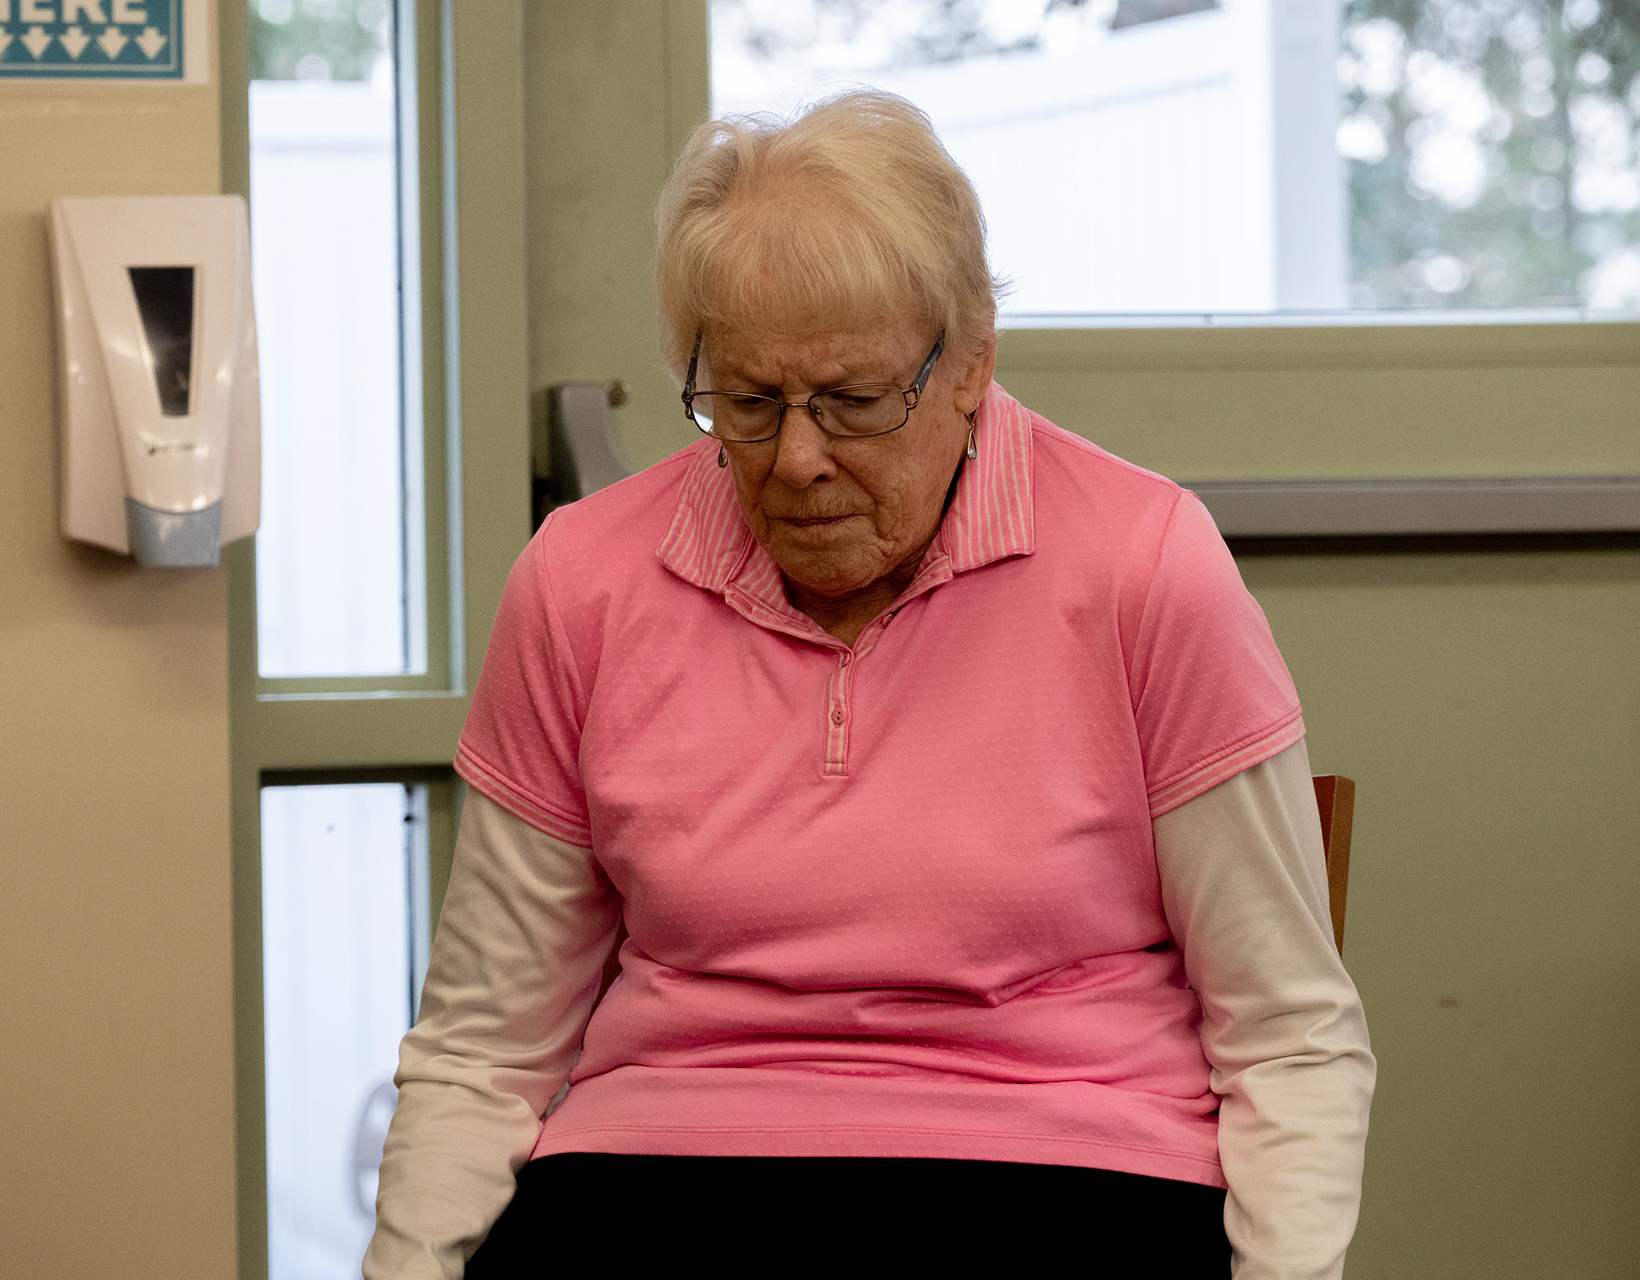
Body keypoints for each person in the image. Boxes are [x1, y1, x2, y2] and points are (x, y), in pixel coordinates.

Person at [364, 90, 1374, 1279]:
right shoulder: (582, 580)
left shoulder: (1145, 562)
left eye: (853, 400)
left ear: (972, 362)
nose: (797, 459)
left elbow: (1289, 1038)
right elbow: (486, 1045)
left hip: (1067, 1167)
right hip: (662, 1167)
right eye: (745, 402)